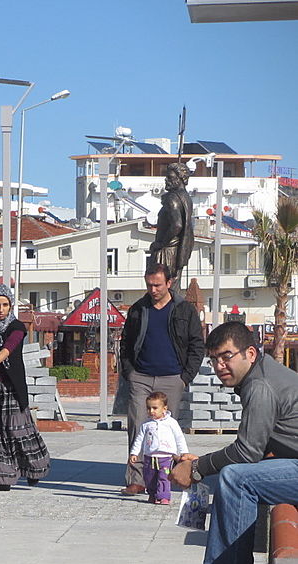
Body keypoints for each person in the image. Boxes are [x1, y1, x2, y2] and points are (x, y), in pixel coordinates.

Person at [170, 322, 298, 564]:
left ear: (250, 353)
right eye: (214, 358)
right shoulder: (260, 375)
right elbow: (263, 441)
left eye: (226, 356)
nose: (219, 365)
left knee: (235, 478)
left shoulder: (260, 384)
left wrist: (197, 468)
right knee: (232, 476)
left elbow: (246, 451)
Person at [118, 262, 204, 496]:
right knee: (138, 428)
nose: (153, 289)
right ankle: (137, 480)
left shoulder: (185, 310)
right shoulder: (138, 309)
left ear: (169, 283)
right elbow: (125, 343)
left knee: (167, 433)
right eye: (149, 285)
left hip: (172, 378)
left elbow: (197, 344)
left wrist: (185, 377)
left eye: (157, 285)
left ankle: (164, 480)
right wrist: (130, 373)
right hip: (141, 377)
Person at [0, 285, 50, 490]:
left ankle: (35, 468)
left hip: (12, 386)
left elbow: (8, 348)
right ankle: (2, 477)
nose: (0, 309)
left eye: (5, 305)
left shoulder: (17, 327)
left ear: (11, 306)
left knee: (19, 431)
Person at [128, 391, 189, 505]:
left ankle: (164, 496)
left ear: (164, 408)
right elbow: (139, 439)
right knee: (149, 477)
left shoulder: (171, 423)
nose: (151, 411)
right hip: (149, 457)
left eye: (155, 408)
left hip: (166, 457)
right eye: (149, 408)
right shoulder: (146, 424)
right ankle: (152, 494)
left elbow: (179, 437)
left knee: (164, 477)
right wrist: (134, 453)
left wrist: (184, 452)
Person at [148, 162, 194, 290]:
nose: (166, 180)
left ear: (180, 179)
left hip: (167, 251)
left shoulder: (172, 198)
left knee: (160, 287)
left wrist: (160, 244)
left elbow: (177, 225)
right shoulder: (186, 197)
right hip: (177, 249)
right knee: (172, 287)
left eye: (170, 177)